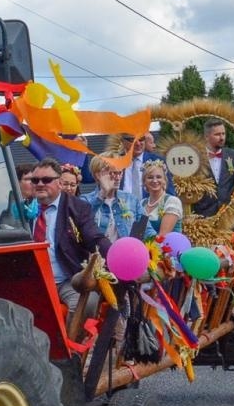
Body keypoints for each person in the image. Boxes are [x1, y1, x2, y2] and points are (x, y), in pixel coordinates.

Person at [25, 157, 110, 310]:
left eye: (46, 180)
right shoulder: (21, 208)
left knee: (87, 304)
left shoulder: (78, 208)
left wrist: (115, 256)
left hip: (68, 280)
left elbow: (94, 238)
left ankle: (74, 328)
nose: (40, 184)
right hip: (31, 282)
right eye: (35, 180)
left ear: (59, 183)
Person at [83, 154, 139, 242]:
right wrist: (102, 194)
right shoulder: (85, 200)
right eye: (113, 173)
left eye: (120, 172)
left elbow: (146, 229)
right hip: (98, 250)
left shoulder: (131, 199)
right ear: (98, 175)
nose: (118, 178)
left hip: (124, 249)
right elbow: (83, 221)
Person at [137, 159, 183, 239]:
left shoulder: (172, 201)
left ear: (164, 180)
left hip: (166, 246)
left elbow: (162, 236)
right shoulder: (142, 203)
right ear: (144, 181)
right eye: (150, 177)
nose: (155, 181)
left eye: (158, 177)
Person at [119, 130, 172, 199]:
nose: (138, 144)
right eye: (132, 140)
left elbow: (169, 192)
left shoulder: (157, 161)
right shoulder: (116, 163)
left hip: (151, 205)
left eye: (141, 139)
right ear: (123, 141)